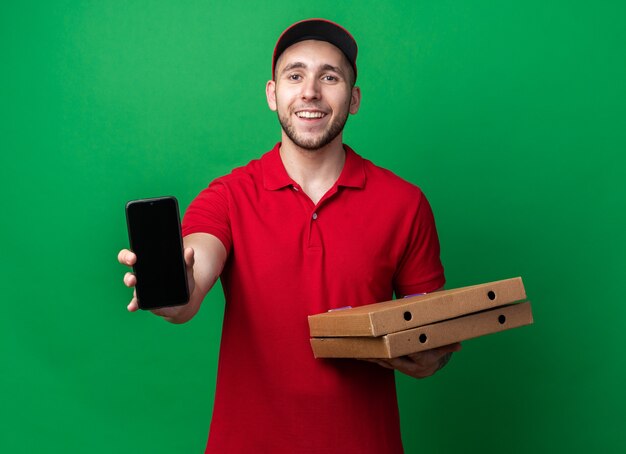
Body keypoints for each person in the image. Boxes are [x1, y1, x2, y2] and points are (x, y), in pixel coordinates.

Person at [118, 18, 461, 453]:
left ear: (353, 99)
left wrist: (434, 355)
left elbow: (432, 328)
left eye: (329, 77)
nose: (311, 91)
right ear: (272, 93)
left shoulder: (405, 203)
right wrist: (173, 289)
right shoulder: (228, 196)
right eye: (294, 75)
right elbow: (191, 282)